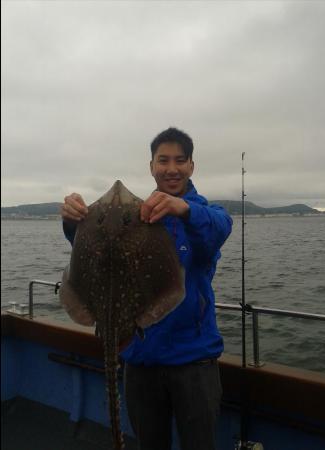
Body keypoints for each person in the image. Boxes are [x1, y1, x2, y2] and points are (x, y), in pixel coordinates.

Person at [61, 127, 233, 450]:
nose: (171, 168)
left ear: (191, 166)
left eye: (180, 161)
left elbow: (219, 228)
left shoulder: (206, 215)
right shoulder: (139, 216)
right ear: (151, 166)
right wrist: (73, 221)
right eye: (163, 160)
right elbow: (92, 256)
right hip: (141, 359)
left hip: (193, 362)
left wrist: (184, 209)